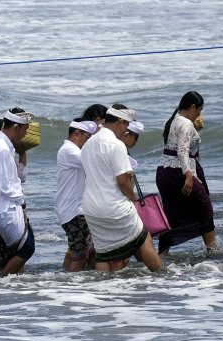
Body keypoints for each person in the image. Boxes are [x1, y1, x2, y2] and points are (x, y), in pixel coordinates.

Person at [81, 106, 162, 272]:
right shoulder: (116, 145)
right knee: (143, 239)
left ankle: (104, 288)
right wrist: (133, 198)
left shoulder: (88, 143)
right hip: (114, 206)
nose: (125, 131)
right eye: (126, 126)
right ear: (120, 122)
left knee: (104, 252)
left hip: (91, 209)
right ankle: (163, 275)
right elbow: (123, 181)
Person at [155, 91, 217, 256]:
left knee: (172, 213)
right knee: (204, 206)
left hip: (164, 172)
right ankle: (212, 250)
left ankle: (162, 254)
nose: (199, 114)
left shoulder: (171, 121)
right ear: (192, 107)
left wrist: (195, 129)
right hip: (179, 172)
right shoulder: (186, 124)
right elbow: (182, 151)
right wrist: (188, 176)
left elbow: (174, 145)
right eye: (199, 110)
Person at [0, 108, 35, 275]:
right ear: (16, 128)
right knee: (27, 248)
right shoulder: (2, 148)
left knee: (5, 251)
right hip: (3, 208)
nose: (25, 134)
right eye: (24, 130)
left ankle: (6, 282)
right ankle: (2, 280)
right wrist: (21, 198)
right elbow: (3, 185)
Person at [55, 120, 97, 272]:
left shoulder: (72, 150)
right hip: (74, 212)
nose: (89, 142)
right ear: (77, 134)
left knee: (91, 253)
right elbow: (94, 161)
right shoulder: (69, 150)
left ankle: (89, 286)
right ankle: (70, 289)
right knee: (80, 256)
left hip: (77, 210)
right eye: (88, 137)